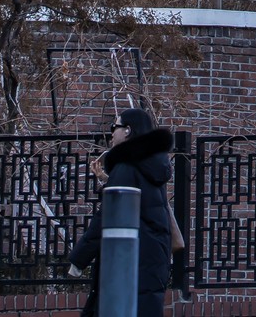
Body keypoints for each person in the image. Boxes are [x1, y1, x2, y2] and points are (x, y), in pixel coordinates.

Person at [68, 106, 178, 317]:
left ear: (127, 130)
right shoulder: (152, 164)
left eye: (114, 126)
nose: (111, 132)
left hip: (127, 261)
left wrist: (79, 258)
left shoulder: (126, 166)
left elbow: (109, 215)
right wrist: (107, 181)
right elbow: (142, 203)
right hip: (152, 258)